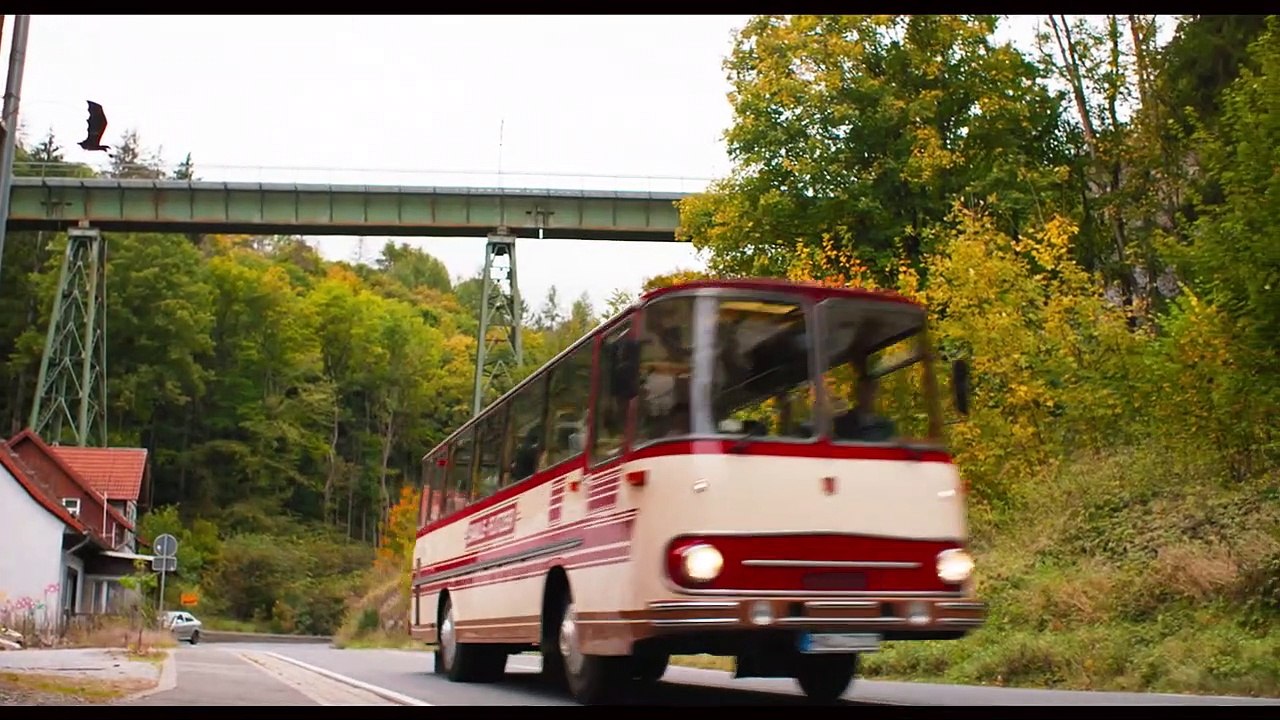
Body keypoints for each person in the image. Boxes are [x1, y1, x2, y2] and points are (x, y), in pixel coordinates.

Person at [832, 371, 896, 442]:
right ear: (857, 393)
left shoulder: (884, 427)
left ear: (877, 393)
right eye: (864, 390)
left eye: (871, 390)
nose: (868, 395)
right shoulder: (843, 423)